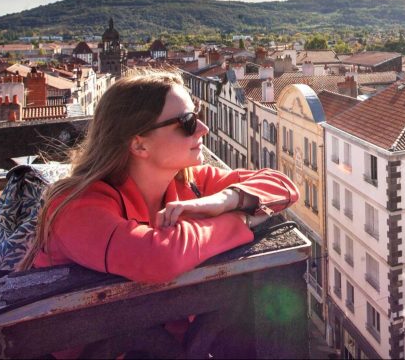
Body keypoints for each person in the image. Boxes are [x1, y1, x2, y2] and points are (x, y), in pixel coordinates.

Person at [20, 68, 298, 283]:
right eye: (187, 123)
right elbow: (159, 257)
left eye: (197, 114)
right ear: (139, 144)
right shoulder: (75, 207)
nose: (203, 129)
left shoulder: (189, 180)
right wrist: (242, 220)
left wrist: (226, 200)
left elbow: (283, 186)